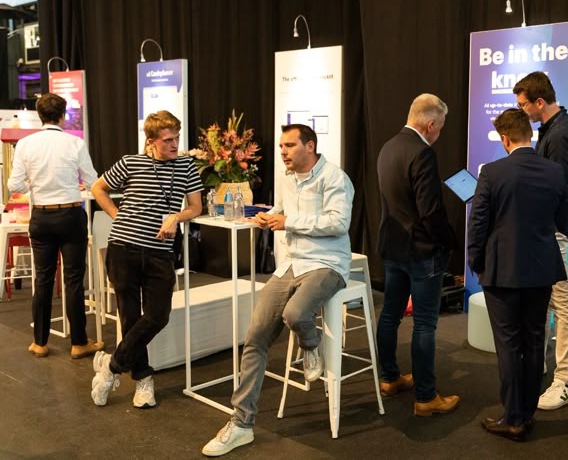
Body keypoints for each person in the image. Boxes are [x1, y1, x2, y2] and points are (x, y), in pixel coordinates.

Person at [202, 124, 354, 457]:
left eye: (289, 145)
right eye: (281, 146)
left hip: (327, 264)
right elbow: (281, 210)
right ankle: (241, 424)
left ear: (309, 146)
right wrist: (265, 217)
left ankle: (310, 344)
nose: (282, 152)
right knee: (254, 337)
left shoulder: (334, 178)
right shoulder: (288, 178)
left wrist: (288, 223)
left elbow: (339, 223)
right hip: (291, 265)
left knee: (295, 314)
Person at [89, 110, 203, 408]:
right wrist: (117, 215)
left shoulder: (186, 166)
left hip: (159, 252)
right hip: (123, 248)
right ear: (151, 141)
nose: (174, 144)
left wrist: (176, 217)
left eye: (177, 138)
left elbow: (196, 206)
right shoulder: (131, 162)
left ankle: (111, 367)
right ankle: (143, 379)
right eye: (167, 140)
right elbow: (98, 188)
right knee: (129, 316)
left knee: (157, 315)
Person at [468, 108, 568, 441]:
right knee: (535, 340)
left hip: (502, 271)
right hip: (542, 268)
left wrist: (476, 262)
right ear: (530, 134)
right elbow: (564, 219)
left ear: (505, 138)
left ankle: (513, 418)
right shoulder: (555, 171)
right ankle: (526, 413)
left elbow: (478, 224)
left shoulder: (492, 172)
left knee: (509, 344)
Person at [375, 93, 460, 417]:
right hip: (422, 251)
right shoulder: (422, 153)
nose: (440, 133)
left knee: (390, 315)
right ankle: (426, 397)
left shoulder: (388, 147)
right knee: (425, 324)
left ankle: (389, 378)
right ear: (431, 124)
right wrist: (448, 242)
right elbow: (430, 211)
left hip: (393, 247)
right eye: (441, 127)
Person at [7, 93, 103, 359]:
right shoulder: (75, 143)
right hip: (70, 216)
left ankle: (40, 343)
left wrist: (35, 184)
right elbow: (93, 181)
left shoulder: (25, 144)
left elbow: (14, 185)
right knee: (73, 281)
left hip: (41, 217)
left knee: (43, 279)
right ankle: (79, 343)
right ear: (63, 116)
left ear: (40, 115)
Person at [513, 71, 568, 410]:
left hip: (551, 229)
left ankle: (565, 381)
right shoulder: (553, 130)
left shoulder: (560, 136)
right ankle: (539, 362)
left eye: (523, 104)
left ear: (539, 102)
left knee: (561, 302)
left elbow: (557, 188)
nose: (521, 110)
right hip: (547, 228)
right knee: (543, 298)